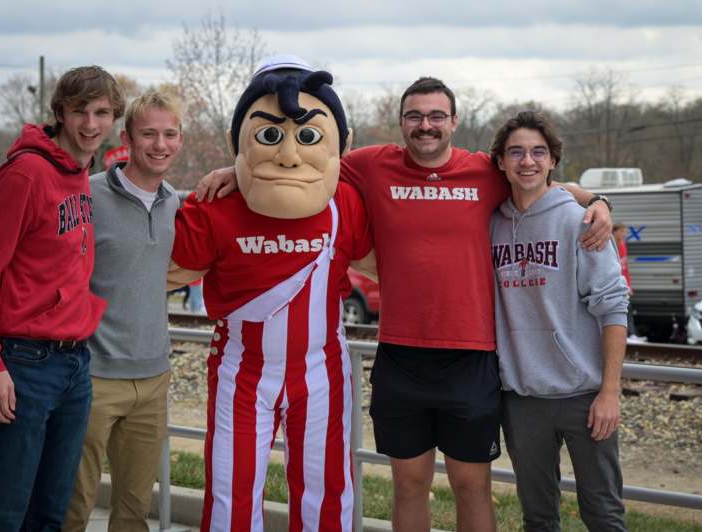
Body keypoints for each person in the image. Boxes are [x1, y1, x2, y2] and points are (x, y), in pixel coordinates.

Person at [197, 76, 612, 531]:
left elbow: (543, 181)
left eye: (436, 116)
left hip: (470, 359)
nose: (425, 125)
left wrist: (599, 201)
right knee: (410, 485)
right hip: (401, 356)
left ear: (454, 121)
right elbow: (304, 163)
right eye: (414, 116)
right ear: (401, 122)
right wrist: (236, 174)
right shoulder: (371, 165)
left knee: (471, 486)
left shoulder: (485, 172)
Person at [167, 56, 372, 532]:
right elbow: (156, 271)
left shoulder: (345, 200)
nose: (288, 155)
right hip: (242, 371)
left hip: (322, 368)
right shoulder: (216, 203)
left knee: (326, 492)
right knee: (230, 492)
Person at [0, 65, 124, 531]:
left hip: (74, 366)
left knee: (51, 512)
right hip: (24, 365)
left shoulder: (79, 173)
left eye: (102, 113)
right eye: (80, 112)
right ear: (60, 113)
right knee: (4, 513)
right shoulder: (27, 174)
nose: (91, 125)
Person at [490, 111, 628, 531]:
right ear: (500, 162)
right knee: (538, 517)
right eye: (516, 152)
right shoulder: (491, 223)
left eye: (538, 152)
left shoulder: (580, 221)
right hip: (522, 398)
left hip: (584, 397)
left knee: (603, 514)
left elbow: (613, 307)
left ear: (552, 160)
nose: (527, 161)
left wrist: (610, 392)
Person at [63, 90, 183, 531]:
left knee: (134, 510)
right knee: (73, 503)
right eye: (148, 133)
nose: (159, 144)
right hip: (92, 375)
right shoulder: (87, 197)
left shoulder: (176, 203)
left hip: (153, 378)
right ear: (127, 137)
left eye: (169, 134)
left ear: (181, 139)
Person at [613, 222, 638, 338]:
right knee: (619, 309)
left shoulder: (623, 245)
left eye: (625, 231)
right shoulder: (610, 245)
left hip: (623, 284)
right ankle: (627, 335)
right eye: (622, 231)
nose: (624, 234)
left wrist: (629, 286)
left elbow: (625, 268)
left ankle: (630, 334)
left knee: (627, 307)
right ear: (614, 232)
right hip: (614, 284)